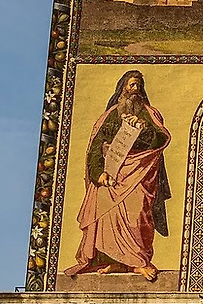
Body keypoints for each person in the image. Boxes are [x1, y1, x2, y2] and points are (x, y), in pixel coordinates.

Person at [66, 70, 172, 281]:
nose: (135, 89)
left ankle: (138, 261)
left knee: (138, 214)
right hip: (111, 175)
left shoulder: (150, 114)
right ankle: (115, 262)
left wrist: (144, 129)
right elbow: (96, 147)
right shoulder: (110, 115)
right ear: (123, 87)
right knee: (106, 214)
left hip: (139, 174)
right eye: (131, 85)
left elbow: (161, 139)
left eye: (138, 86)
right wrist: (99, 175)